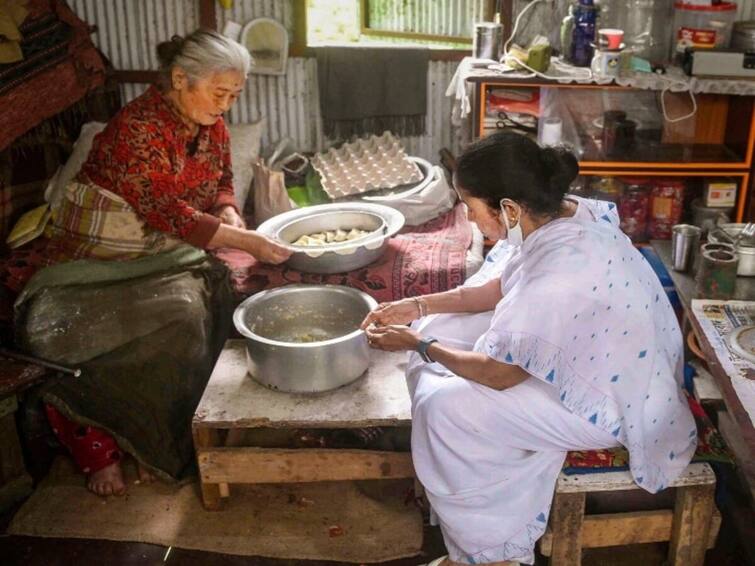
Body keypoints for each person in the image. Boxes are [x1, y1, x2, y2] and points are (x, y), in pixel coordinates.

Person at [361, 132, 696, 566]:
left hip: (611, 405)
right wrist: (416, 308)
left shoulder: (558, 273)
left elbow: (499, 375)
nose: (468, 219)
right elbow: (498, 288)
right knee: (438, 325)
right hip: (610, 364)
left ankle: (493, 551)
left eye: (471, 208)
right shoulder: (561, 215)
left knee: (444, 407)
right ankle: (475, 473)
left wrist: (419, 344)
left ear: (510, 209)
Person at [13, 29, 291, 497]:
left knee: (193, 309)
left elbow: (222, 181)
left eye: (234, 96)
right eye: (218, 93)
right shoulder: (136, 129)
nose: (225, 105)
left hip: (160, 253)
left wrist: (228, 209)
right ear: (180, 79)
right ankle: (101, 449)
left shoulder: (212, 126)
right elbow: (169, 212)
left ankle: (156, 439)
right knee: (82, 333)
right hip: (96, 258)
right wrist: (250, 242)